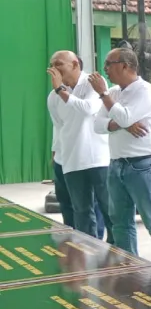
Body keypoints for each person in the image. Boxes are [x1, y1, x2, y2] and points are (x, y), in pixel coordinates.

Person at [91, 48, 151, 270]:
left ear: (125, 65)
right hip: (117, 164)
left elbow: (124, 116)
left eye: (109, 64)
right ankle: (129, 263)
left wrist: (104, 97)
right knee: (120, 221)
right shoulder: (115, 93)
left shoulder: (145, 91)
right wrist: (120, 123)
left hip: (143, 165)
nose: (105, 70)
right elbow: (97, 125)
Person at [46, 51, 110, 240]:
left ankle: (118, 253)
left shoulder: (93, 83)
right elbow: (59, 127)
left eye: (59, 64)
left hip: (99, 159)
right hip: (72, 160)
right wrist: (56, 152)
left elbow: (88, 109)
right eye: (52, 65)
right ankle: (89, 252)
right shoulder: (53, 96)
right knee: (81, 211)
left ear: (75, 65)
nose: (53, 69)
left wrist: (61, 91)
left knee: (108, 209)